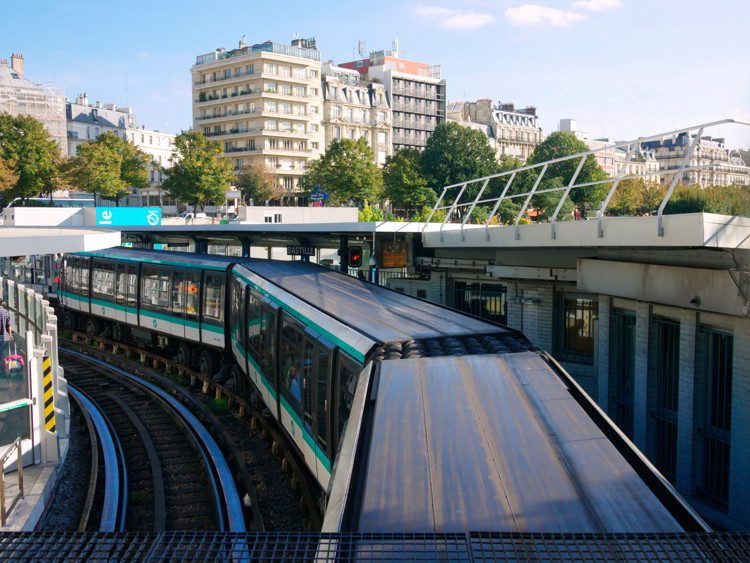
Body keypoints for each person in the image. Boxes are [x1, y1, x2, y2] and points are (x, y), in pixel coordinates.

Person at [0, 297, 12, 365]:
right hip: (3, 337)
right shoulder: (5, 312)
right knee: (3, 353)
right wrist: (10, 335)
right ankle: (4, 370)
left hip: (2, 337)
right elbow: (9, 325)